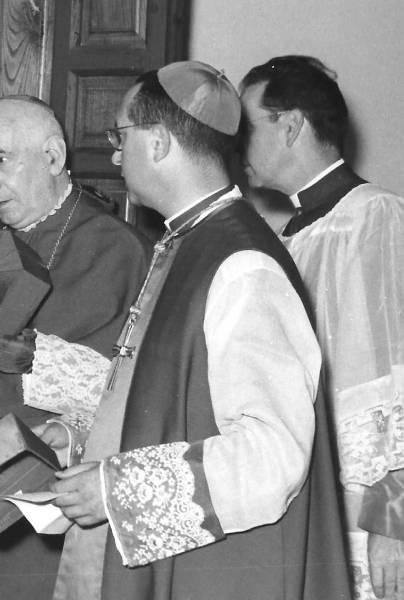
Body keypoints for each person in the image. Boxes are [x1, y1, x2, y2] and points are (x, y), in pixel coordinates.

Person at [42, 61, 351, 600]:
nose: (115, 155)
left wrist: (121, 490)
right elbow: (170, 402)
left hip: (216, 574)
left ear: (159, 142)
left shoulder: (242, 264)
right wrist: (81, 440)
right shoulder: (186, 243)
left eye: (122, 135)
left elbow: (272, 453)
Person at [0, 96, 152, 600]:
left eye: (0, 161)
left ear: (54, 157)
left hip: (40, 484)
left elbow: (130, 387)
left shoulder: (116, 247)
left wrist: (37, 360)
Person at [239, 55, 404, 600]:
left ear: (290, 125)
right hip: (315, 503)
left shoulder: (377, 218)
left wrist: (395, 520)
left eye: (249, 125)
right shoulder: (291, 235)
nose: (239, 144)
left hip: (374, 520)